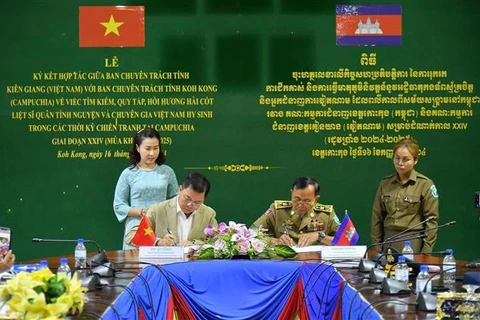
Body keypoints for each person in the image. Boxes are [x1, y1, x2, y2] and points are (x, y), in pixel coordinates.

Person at [114, 128, 179, 249]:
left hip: (162, 229)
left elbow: (176, 199)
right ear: (138, 148)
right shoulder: (128, 174)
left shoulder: (167, 172)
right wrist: (141, 211)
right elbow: (119, 205)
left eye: (156, 148)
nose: (152, 153)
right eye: (147, 149)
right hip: (137, 230)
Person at [371, 137, 439, 254]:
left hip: (413, 242)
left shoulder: (425, 184)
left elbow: (432, 222)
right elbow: (377, 218)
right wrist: (377, 249)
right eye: (397, 158)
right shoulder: (385, 183)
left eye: (406, 159)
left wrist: (425, 254)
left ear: (415, 160)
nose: (400, 163)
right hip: (388, 241)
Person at [125, 172, 217, 247]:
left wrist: (194, 244)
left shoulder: (208, 214)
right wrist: (158, 242)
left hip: (194, 266)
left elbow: (218, 243)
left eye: (197, 202)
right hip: (163, 266)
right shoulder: (158, 210)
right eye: (187, 198)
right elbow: (131, 236)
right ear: (180, 189)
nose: (190, 205)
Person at [251, 176, 341, 247]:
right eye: (296, 199)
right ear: (291, 193)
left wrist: (321, 237)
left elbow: (346, 241)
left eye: (306, 201)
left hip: (315, 265)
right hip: (284, 263)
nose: (300, 204)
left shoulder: (326, 214)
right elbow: (251, 233)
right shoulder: (277, 210)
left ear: (316, 199)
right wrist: (275, 241)